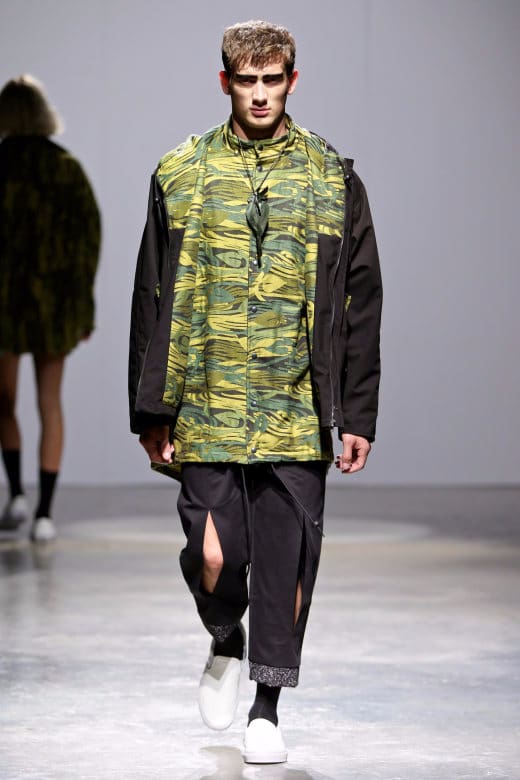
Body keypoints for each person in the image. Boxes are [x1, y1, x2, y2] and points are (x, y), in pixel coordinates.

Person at [129, 20, 381, 764]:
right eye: (248, 80)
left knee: (287, 566)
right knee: (212, 555)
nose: (261, 94)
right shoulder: (181, 172)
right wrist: (150, 408)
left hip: (296, 407)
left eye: (273, 80)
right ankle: (223, 636)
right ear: (226, 82)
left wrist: (357, 411)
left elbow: (360, 299)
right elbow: (150, 293)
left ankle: (267, 708)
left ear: (292, 81)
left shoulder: (332, 177)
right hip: (205, 403)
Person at [0, 75, 101, 543]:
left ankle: (22, 497)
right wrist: (83, 305)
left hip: (7, 301)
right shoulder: (67, 169)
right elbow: (88, 242)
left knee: (6, 400)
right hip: (55, 304)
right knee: (48, 402)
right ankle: (42, 510)